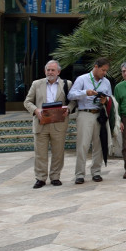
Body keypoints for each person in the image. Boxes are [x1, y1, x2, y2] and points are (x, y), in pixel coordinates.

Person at [24, 60, 75, 188]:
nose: (50, 72)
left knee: (58, 152)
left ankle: (55, 177)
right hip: (41, 123)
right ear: (45, 71)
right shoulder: (36, 84)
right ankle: (40, 178)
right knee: (40, 153)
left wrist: (68, 109)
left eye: (53, 70)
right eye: (48, 70)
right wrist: (36, 110)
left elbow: (73, 101)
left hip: (59, 123)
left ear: (58, 72)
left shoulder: (67, 84)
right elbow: (27, 101)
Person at [68, 58, 113, 184]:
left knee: (99, 144)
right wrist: (85, 93)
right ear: (96, 67)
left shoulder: (106, 82)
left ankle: (96, 172)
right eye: (103, 70)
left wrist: (105, 100)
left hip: (100, 114)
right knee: (83, 145)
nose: (104, 73)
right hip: (85, 114)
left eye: (106, 71)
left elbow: (110, 98)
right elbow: (71, 95)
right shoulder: (82, 79)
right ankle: (80, 174)